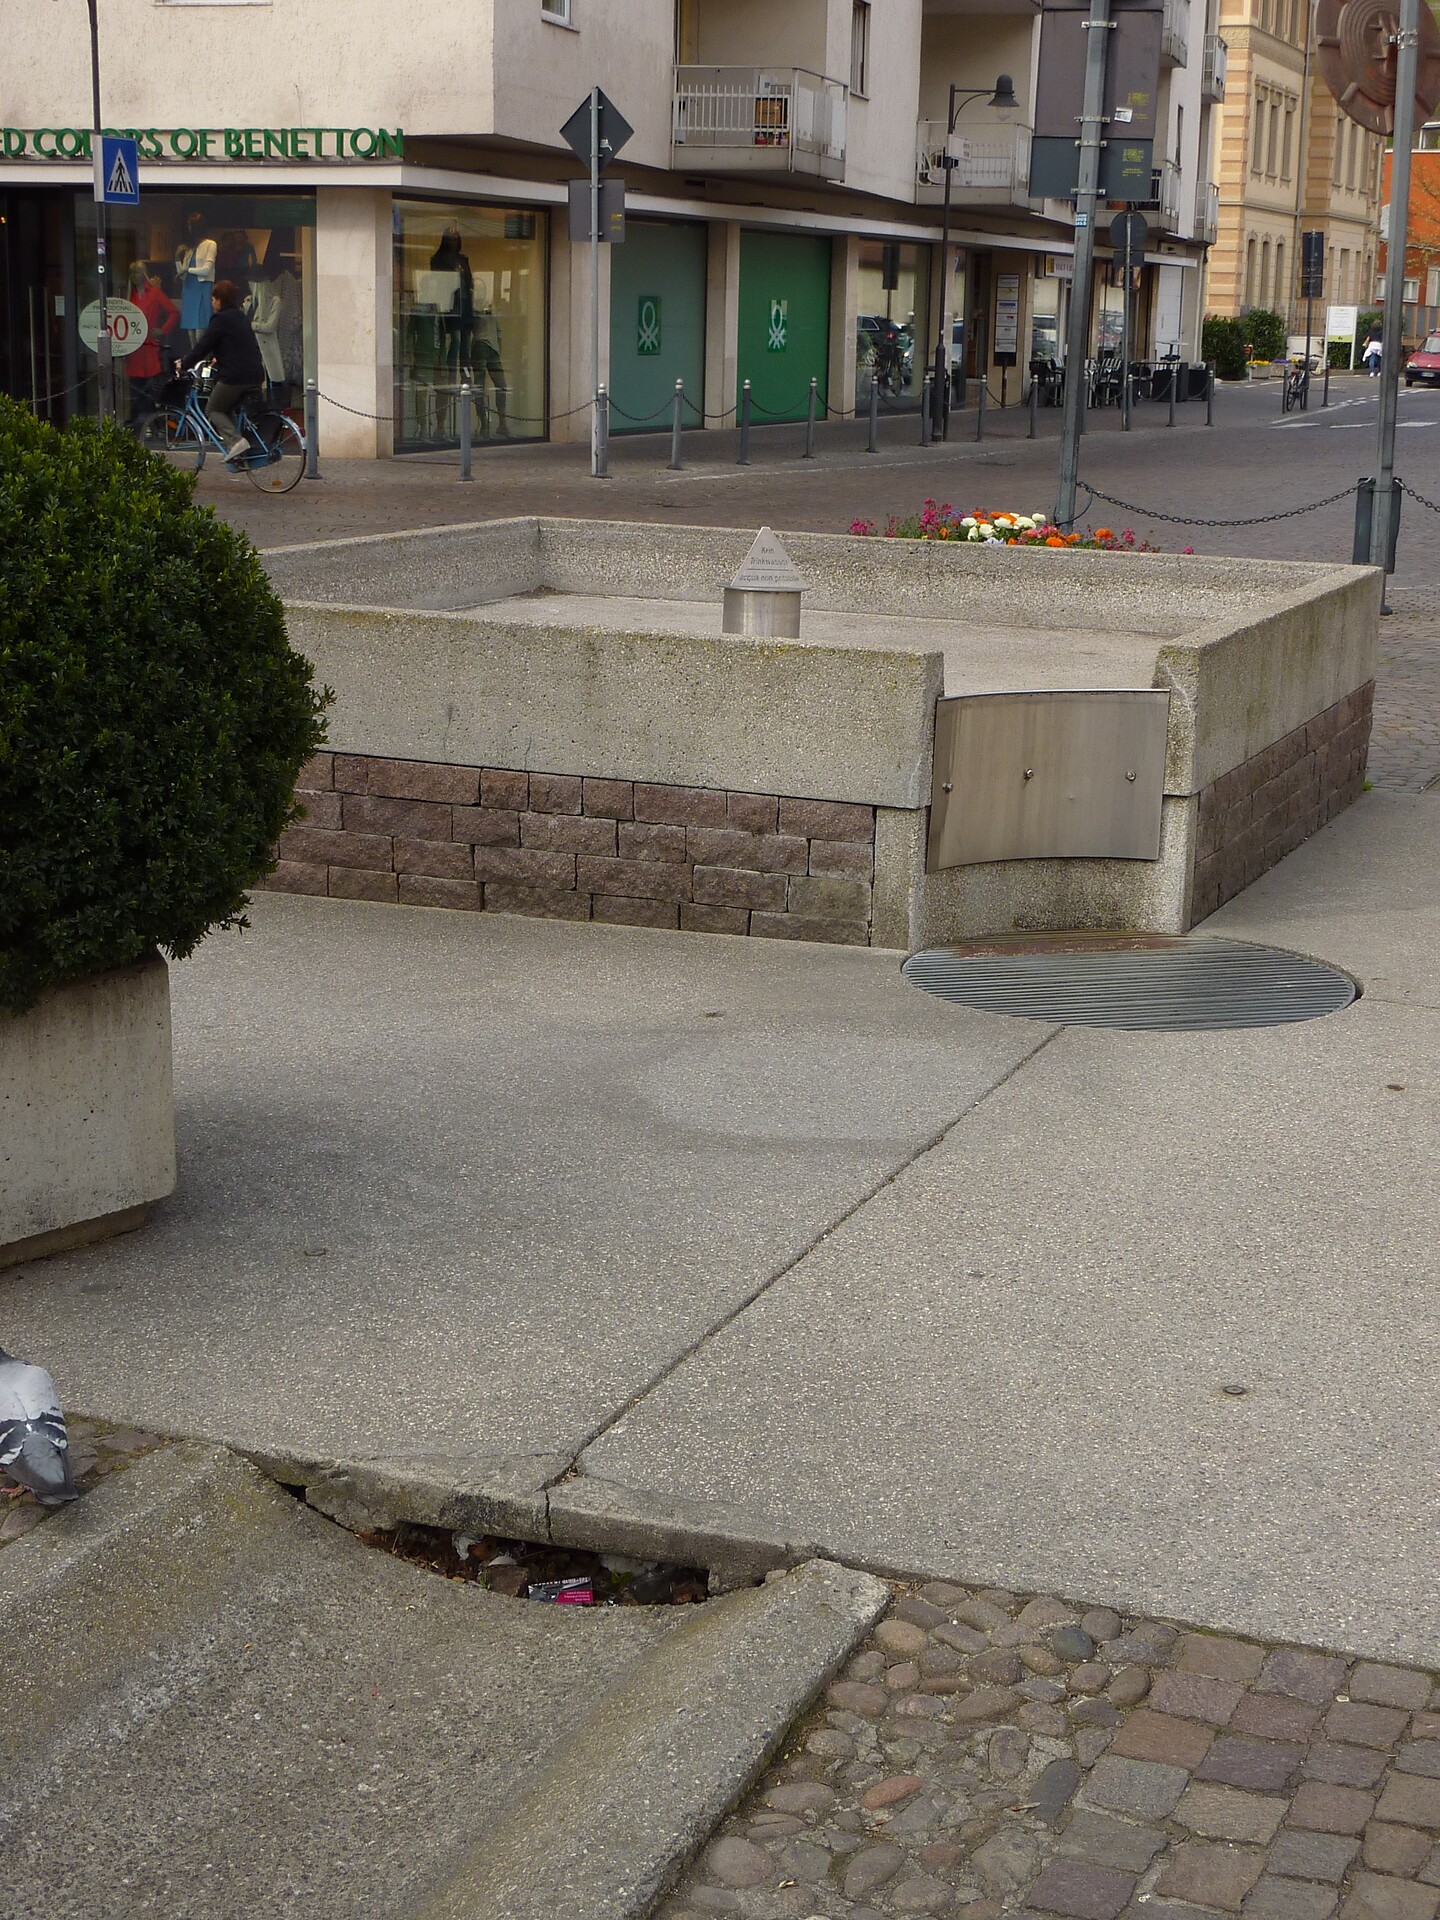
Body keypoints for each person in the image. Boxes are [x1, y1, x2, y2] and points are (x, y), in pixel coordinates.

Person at [177, 279, 266, 465]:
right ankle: (238, 454)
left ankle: (236, 442)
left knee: (213, 409)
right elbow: (237, 344)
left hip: (236, 376)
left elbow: (203, 344)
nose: (212, 302)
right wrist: (219, 357)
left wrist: (184, 363)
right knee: (226, 409)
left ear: (219, 300)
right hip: (255, 373)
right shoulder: (240, 317)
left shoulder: (220, 319)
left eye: (213, 299)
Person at [123, 261, 178, 417]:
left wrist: (163, 330)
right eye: (132, 273)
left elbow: (173, 312)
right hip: (134, 349)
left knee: (153, 389)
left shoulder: (154, 293)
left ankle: (154, 422)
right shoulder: (129, 295)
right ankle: (140, 421)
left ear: (144, 273)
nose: (135, 276)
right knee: (136, 388)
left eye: (138, 272)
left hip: (150, 347)